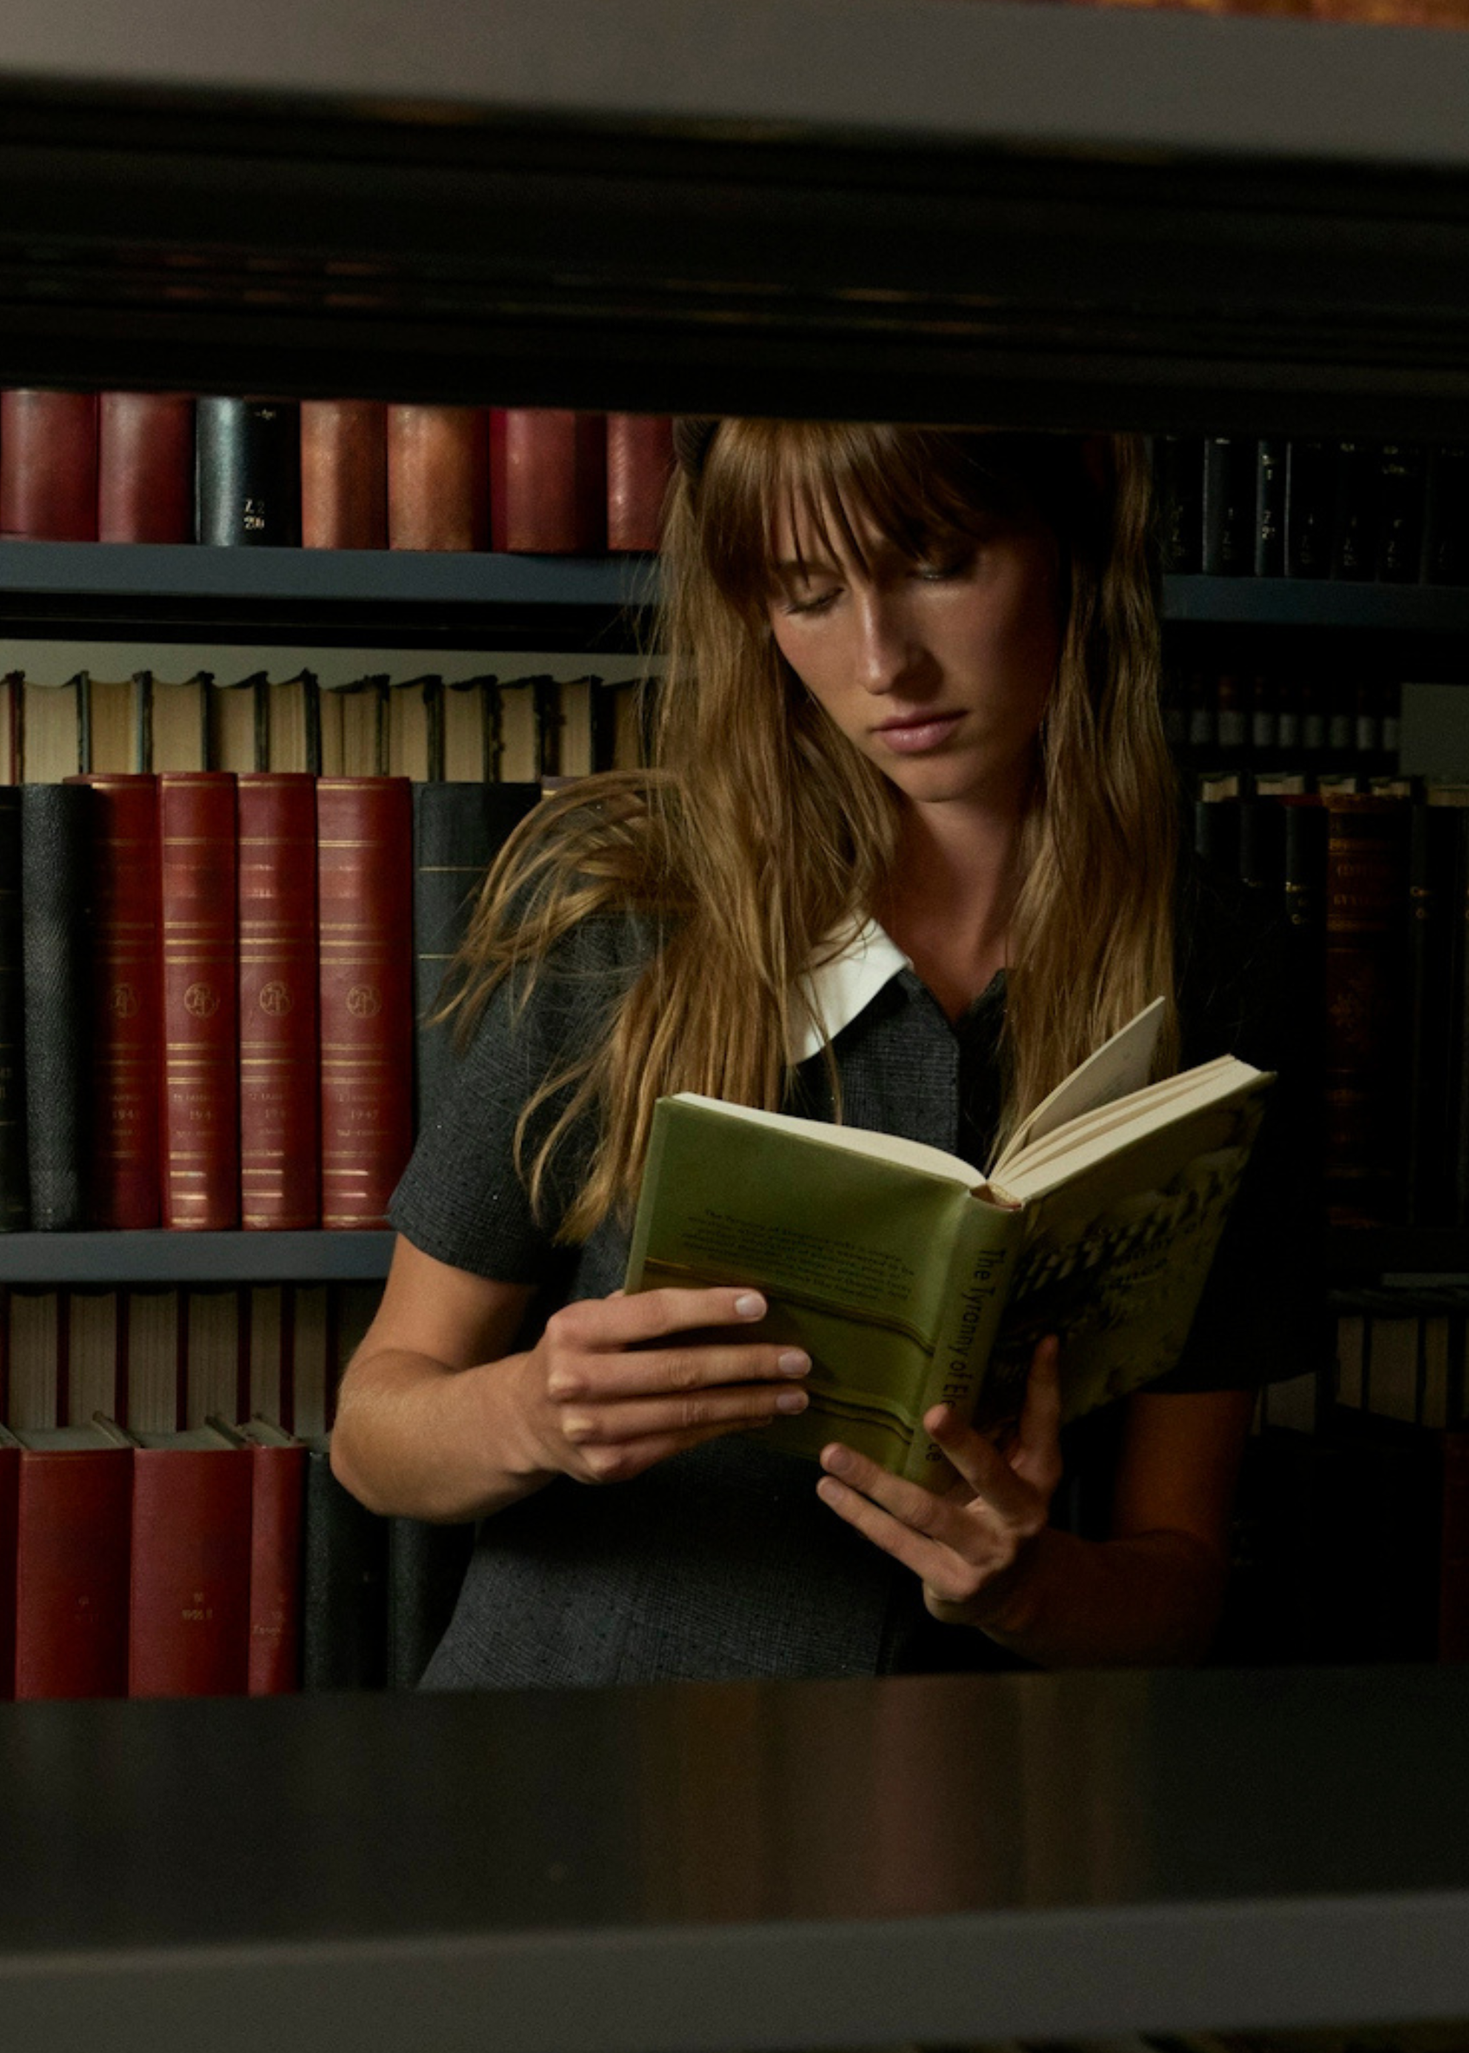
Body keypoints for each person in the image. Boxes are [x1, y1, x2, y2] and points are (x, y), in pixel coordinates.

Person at [329, 419, 1304, 1687]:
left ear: (1073, 554)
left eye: (941, 563)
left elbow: (1175, 1590)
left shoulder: (1215, 961)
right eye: (808, 595)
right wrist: (528, 1413)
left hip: (973, 1808)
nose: (882, 662)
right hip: (583, 1772)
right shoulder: (628, 914)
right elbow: (372, 1431)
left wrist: (1028, 1585)